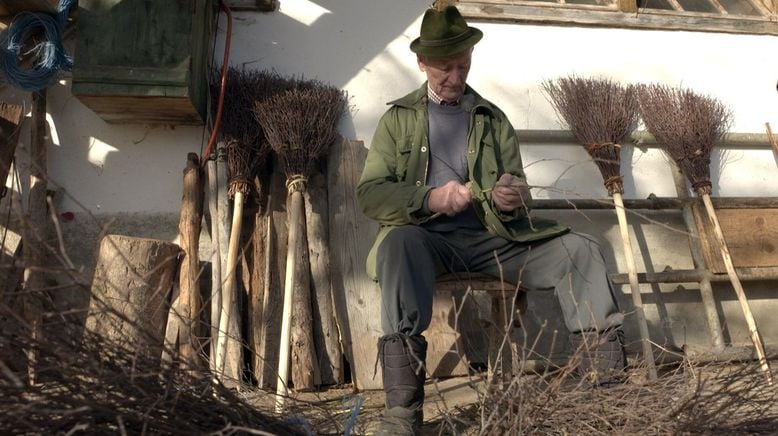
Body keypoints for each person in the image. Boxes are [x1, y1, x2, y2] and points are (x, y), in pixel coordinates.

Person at [357, 5, 626, 434]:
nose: (454, 77)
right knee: (397, 244)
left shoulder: (493, 118)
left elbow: (519, 194)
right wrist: (430, 198)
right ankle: (402, 416)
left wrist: (513, 197)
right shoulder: (397, 121)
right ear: (422, 63)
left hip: (494, 239)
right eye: (444, 68)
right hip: (428, 242)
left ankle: (609, 394)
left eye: (462, 66)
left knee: (581, 249)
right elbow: (370, 195)